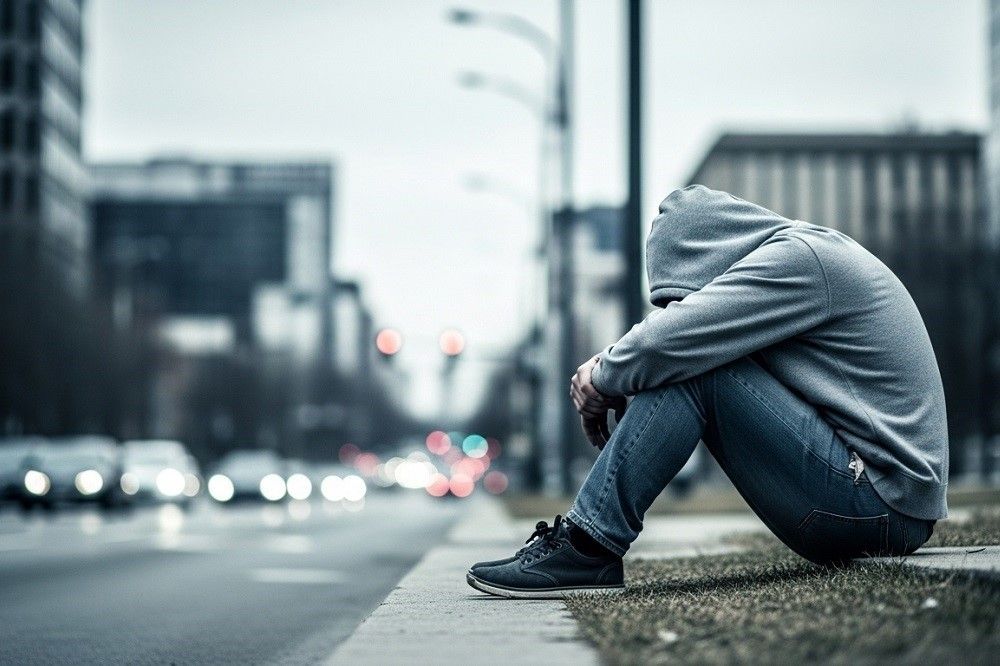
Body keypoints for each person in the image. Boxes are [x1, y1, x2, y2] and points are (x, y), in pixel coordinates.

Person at [466, 185, 948, 599]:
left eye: (686, 298)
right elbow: (672, 341)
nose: (682, 308)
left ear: (709, 255)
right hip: (868, 504)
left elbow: (667, 341)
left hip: (880, 506)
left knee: (692, 367)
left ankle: (588, 546)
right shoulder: (800, 260)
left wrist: (599, 373)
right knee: (689, 357)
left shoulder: (803, 261)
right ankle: (586, 544)